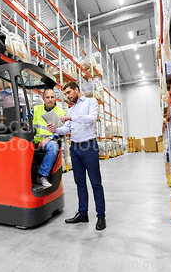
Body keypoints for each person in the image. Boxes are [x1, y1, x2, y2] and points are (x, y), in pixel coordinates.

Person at [47, 82, 106, 231]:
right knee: (79, 182)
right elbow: (66, 129)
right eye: (65, 94)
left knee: (95, 183)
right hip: (75, 147)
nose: (67, 96)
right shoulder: (71, 110)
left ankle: (101, 216)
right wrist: (56, 129)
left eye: (68, 93)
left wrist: (71, 118)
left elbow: (92, 118)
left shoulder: (90, 102)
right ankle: (83, 213)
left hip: (89, 146)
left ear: (76, 90)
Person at [33, 88, 66, 188]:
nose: (50, 99)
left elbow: (62, 131)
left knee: (54, 147)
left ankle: (42, 175)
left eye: (52, 97)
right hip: (34, 140)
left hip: (49, 141)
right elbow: (26, 122)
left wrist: (48, 139)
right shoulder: (35, 109)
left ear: (55, 98)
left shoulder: (61, 112)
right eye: (47, 97)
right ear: (43, 98)